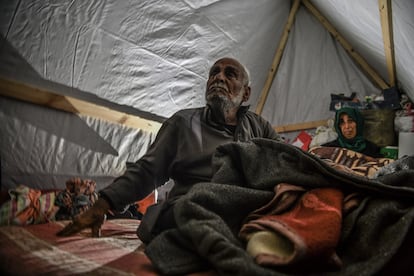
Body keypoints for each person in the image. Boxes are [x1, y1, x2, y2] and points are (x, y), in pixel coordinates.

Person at [57, 57, 282, 242]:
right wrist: (103, 204)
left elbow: (287, 164)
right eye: (214, 73)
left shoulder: (259, 127)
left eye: (230, 74)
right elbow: (148, 170)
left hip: (247, 212)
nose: (218, 78)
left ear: (246, 93)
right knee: (181, 214)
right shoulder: (183, 122)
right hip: (194, 210)